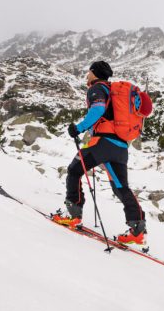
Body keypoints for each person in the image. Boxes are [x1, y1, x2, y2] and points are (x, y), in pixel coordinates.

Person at [53, 60, 147, 249]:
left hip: (102, 143)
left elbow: (97, 110)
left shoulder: (97, 88)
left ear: (94, 72)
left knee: (74, 170)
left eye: (89, 71)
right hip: (120, 146)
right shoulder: (112, 91)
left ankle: (73, 216)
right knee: (121, 188)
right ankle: (137, 231)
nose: (87, 74)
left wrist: (79, 128)